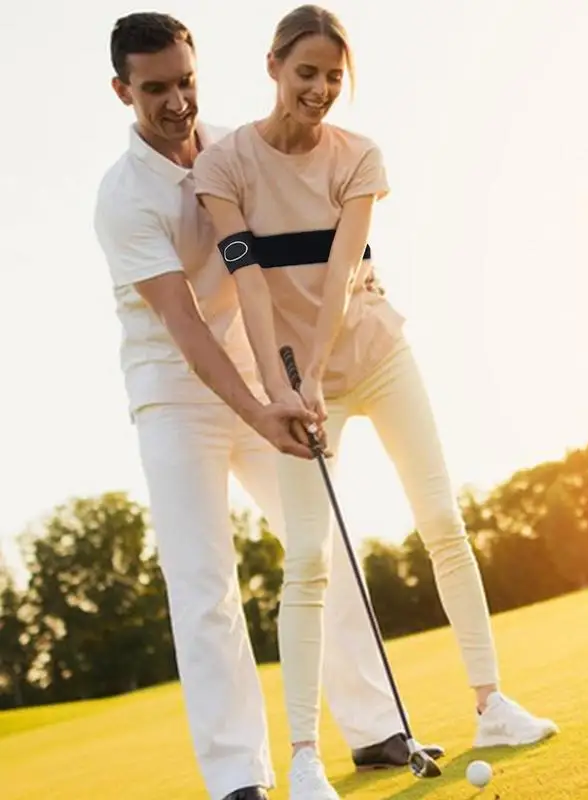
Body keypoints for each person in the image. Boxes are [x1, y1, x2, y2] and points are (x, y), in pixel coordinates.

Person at [192, 4, 560, 797]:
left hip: (377, 357)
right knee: (308, 562)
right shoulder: (224, 169)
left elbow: (338, 273)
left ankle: (491, 702)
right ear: (271, 68)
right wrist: (284, 388)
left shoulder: (360, 157)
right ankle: (300, 758)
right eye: (306, 73)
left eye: (333, 75)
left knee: (442, 523)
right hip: (293, 386)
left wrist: (315, 372)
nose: (320, 89)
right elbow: (249, 286)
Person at [92, 12, 442, 800]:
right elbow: (185, 327)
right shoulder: (123, 199)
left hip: (262, 372)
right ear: (122, 91)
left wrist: (298, 372)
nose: (177, 101)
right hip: (174, 395)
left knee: (314, 542)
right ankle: (237, 780)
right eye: (155, 90)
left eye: (186, 81)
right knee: (204, 584)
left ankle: (377, 727)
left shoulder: (234, 147)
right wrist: (258, 411)